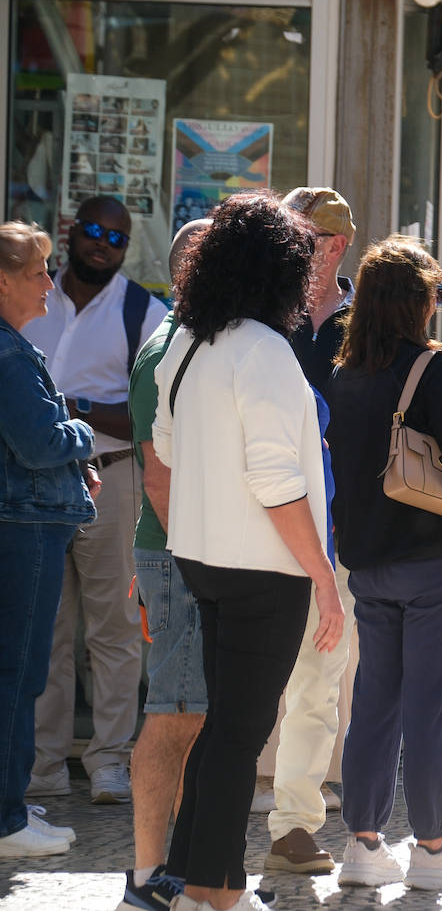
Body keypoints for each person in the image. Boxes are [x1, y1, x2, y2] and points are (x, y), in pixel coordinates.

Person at [152, 191, 344, 911]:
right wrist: (323, 577)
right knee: (239, 733)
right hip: (262, 568)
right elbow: (275, 481)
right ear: (281, 272)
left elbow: (164, 451)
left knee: (226, 727)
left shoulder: (188, 341)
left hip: (206, 558)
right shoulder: (262, 351)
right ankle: (216, 893)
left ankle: (192, 885)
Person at [325, 236, 442, 890]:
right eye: (436, 292)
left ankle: (362, 843)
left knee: (374, 702)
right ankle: (431, 849)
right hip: (435, 562)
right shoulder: (428, 369)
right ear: (414, 301)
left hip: (369, 564)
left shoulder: (344, 376)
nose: (439, 303)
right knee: (432, 707)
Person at [23, 196, 165, 804]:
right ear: (70, 233)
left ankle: (109, 761)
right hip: (32, 484)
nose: (101, 243)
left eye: (115, 236)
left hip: (111, 478)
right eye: (92, 231)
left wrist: (75, 408)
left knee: (111, 630)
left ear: (124, 249)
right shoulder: (32, 298)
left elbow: (150, 416)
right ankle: (43, 766)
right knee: (46, 630)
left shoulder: (143, 311)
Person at [258, 185, 358, 874]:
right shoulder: (259, 317)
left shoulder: (372, 322)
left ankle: (294, 820)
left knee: (319, 681)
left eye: (311, 240)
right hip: (261, 522)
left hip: (339, 529)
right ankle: (207, 809)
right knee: (245, 678)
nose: (299, 252)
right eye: (291, 238)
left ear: (339, 245)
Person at [121, 218, 213, 910]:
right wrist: (199, 564)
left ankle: (178, 869)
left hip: (180, 556)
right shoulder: (165, 353)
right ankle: (149, 878)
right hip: (182, 557)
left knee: (192, 714)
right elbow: (159, 478)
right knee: (174, 715)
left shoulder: (192, 343)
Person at [0, 221, 94, 857]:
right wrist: (81, 434)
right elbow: (40, 443)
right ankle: (7, 821)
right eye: (36, 273)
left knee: (20, 670)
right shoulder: (7, 354)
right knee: (19, 673)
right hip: (24, 529)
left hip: (27, 523)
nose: (48, 285)